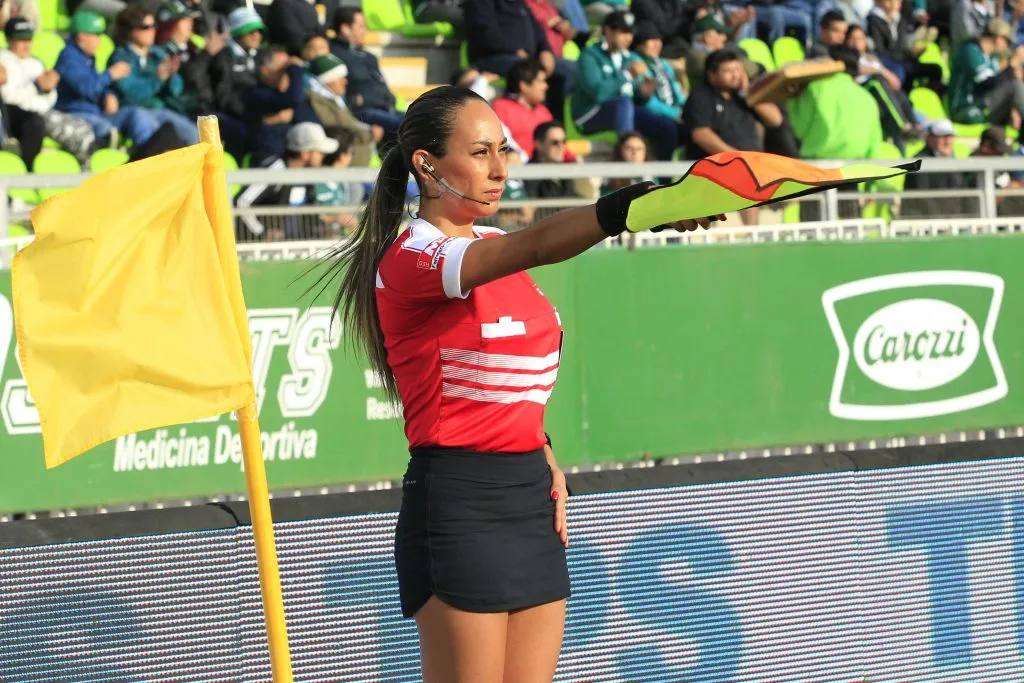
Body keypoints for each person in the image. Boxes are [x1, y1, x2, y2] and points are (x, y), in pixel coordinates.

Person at [326, 85, 718, 683]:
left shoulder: (487, 244)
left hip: (530, 500)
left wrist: (544, 448)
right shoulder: (411, 255)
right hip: (458, 504)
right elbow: (537, 244)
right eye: (481, 152)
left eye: (504, 150)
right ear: (427, 165)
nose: (500, 169)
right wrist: (631, 207)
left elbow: (507, 379)